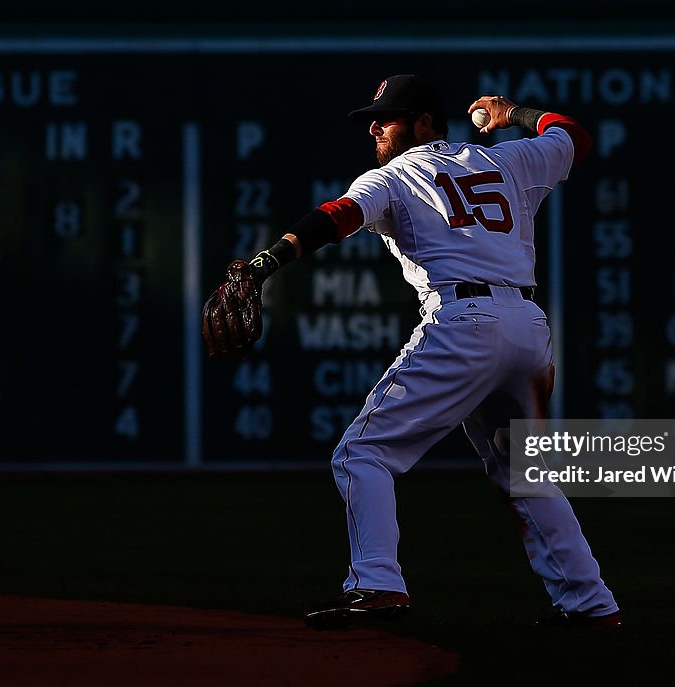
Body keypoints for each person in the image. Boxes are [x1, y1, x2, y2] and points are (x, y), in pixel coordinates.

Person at [239, 74, 620, 629]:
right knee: (527, 476)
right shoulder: (504, 161)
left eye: (387, 117)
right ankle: (591, 605)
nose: (374, 126)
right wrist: (512, 112)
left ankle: (376, 584)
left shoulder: (393, 175)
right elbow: (574, 138)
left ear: (423, 123)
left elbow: (336, 216)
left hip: (464, 322)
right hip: (527, 326)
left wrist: (267, 261)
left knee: (362, 454)